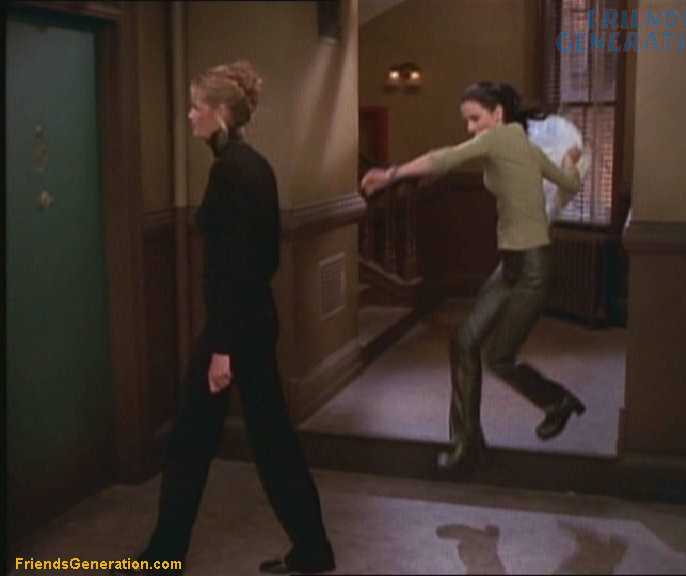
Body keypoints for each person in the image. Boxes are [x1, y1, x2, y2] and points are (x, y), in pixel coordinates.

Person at [122, 60, 335, 575]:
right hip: (250, 321)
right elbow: (264, 260)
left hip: (234, 328)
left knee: (194, 441)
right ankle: (312, 549)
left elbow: (235, 267)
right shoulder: (254, 165)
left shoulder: (231, 171)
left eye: (196, 106)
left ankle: (165, 554)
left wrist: (222, 348)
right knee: (270, 440)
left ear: (219, 112)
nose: (189, 115)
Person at [361, 81, 587, 475]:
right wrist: (568, 163)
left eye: (475, 118)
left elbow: (445, 158)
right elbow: (567, 182)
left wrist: (391, 174)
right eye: (466, 121)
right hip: (511, 265)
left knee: (498, 357)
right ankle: (467, 444)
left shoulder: (501, 138)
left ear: (498, 114)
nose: (470, 128)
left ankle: (557, 401)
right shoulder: (520, 146)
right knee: (464, 342)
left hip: (532, 269)